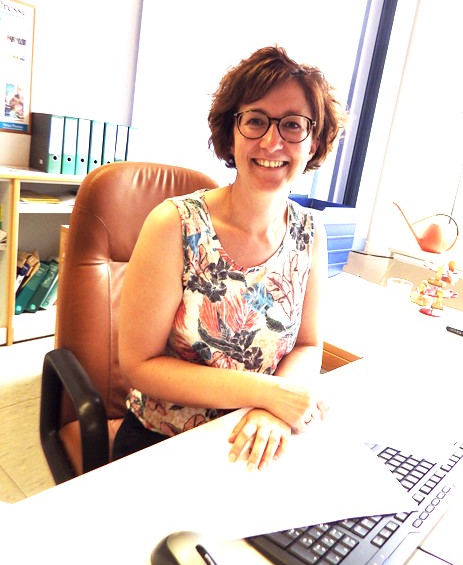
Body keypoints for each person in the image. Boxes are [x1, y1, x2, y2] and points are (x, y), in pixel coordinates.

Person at [114, 45, 345, 471]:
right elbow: (139, 366)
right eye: (255, 120)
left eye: (293, 124)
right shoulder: (175, 225)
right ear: (231, 131)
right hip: (164, 442)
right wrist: (269, 395)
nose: (272, 141)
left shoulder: (310, 232)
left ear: (313, 141)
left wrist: (273, 411)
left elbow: (308, 344)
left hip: (260, 438)